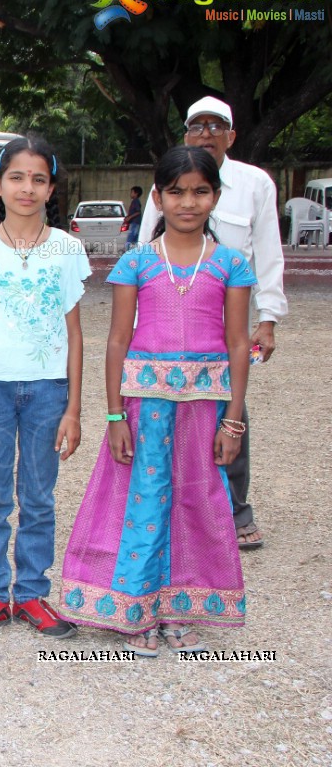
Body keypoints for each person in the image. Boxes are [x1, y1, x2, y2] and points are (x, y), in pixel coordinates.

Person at [60, 146, 252, 654]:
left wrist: (233, 422)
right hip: (144, 409)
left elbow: (237, 343)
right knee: (140, 502)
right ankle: (137, 608)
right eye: (176, 192)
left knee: (195, 497)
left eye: (200, 191)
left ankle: (179, 607)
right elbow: (118, 341)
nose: (188, 202)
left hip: (203, 408)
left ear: (214, 196)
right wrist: (115, 414)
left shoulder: (230, 264)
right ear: (159, 197)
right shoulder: (136, 262)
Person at [0, 137, 90, 640]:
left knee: (38, 496)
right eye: (16, 177)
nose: (26, 188)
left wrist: (74, 407)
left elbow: (74, 335)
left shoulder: (68, 249)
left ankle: (31, 593)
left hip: (48, 391)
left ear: (51, 188)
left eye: (37, 179)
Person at [138, 96, 286, 552]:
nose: (206, 132)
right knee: (165, 411)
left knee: (229, 410)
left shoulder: (254, 183)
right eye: (196, 125)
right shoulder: (164, 184)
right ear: (185, 134)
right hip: (171, 316)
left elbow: (267, 250)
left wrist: (269, 318)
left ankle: (235, 509)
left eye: (216, 124)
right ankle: (169, 506)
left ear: (231, 135)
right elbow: (146, 246)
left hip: (229, 320)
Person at [123, 186, 143, 251]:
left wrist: (130, 218)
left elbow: (138, 212)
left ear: (136, 193)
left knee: (130, 238)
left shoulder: (136, 201)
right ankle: (136, 251)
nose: (130, 194)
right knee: (135, 239)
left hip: (135, 223)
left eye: (132, 192)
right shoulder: (134, 201)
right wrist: (127, 217)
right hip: (134, 222)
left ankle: (127, 252)